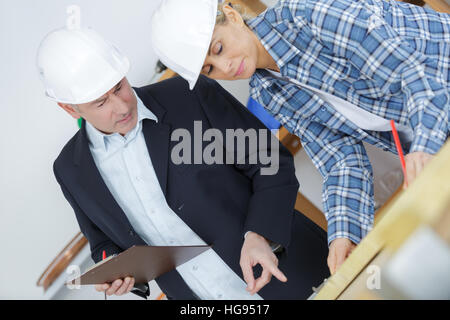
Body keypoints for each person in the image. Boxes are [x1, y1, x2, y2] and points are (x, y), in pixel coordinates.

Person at [150, 0, 450, 274]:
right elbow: (340, 160)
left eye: (218, 48)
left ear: (231, 15)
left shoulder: (310, 17)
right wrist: (343, 235)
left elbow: (414, 73)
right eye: (210, 69)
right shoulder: (269, 94)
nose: (226, 66)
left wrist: (424, 148)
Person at [37, 26, 330, 300]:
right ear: (68, 108)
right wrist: (113, 266)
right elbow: (101, 241)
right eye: (101, 103)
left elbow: (270, 161)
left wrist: (260, 233)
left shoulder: (189, 95)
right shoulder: (70, 170)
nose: (122, 105)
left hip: (293, 276)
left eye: (119, 87)